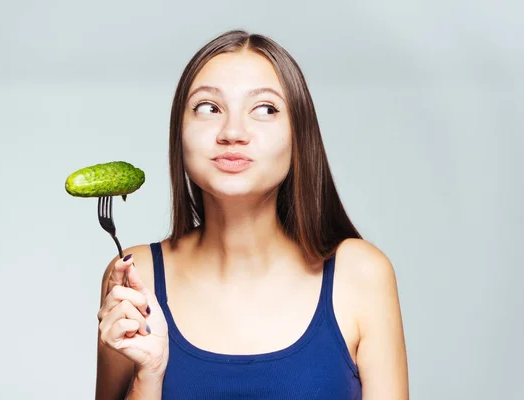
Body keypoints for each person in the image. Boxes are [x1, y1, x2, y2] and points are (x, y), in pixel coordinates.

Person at [95, 29, 409, 399]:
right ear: (179, 132)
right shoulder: (136, 276)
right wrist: (148, 376)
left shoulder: (361, 275)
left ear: (299, 135)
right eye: (209, 108)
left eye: (265, 109)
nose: (232, 131)